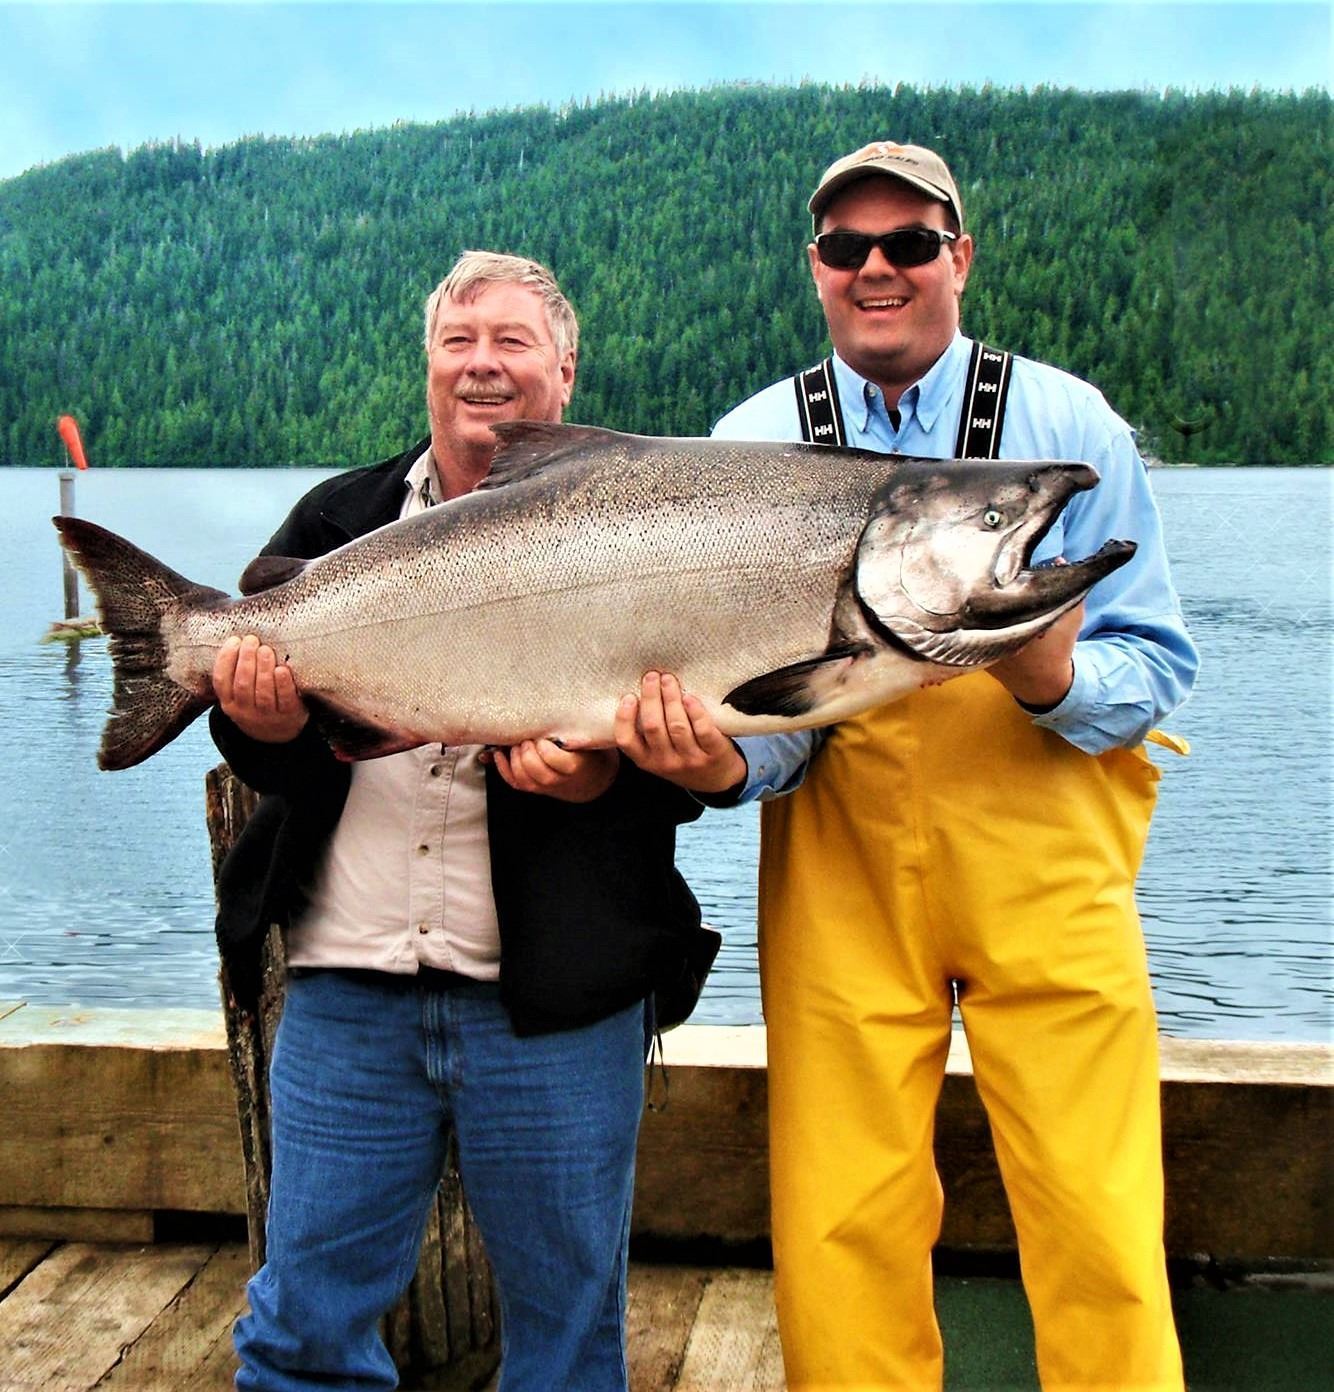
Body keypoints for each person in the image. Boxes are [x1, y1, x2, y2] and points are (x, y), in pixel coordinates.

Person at [620, 142, 1199, 1390]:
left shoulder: (1068, 428)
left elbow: (1155, 660)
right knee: (839, 1222)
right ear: (815, 268)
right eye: (847, 247)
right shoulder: (746, 446)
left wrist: (1049, 679)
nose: (875, 267)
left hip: (1053, 886)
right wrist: (716, 767)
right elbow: (765, 720)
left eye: (909, 243)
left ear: (959, 257)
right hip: (841, 887)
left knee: (1099, 1218)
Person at [209, 250, 712, 1392]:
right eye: (458, 341)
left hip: (556, 1008)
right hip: (347, 991)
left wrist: (600, 782)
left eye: (512, 341)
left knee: (567, 1345)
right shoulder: (338, 517)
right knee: (300, 1335)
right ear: (429, 364)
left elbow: (696, 742)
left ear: (566, 372)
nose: (482, 364)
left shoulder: (647, 526)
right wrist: (261, 719)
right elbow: (274, 758)